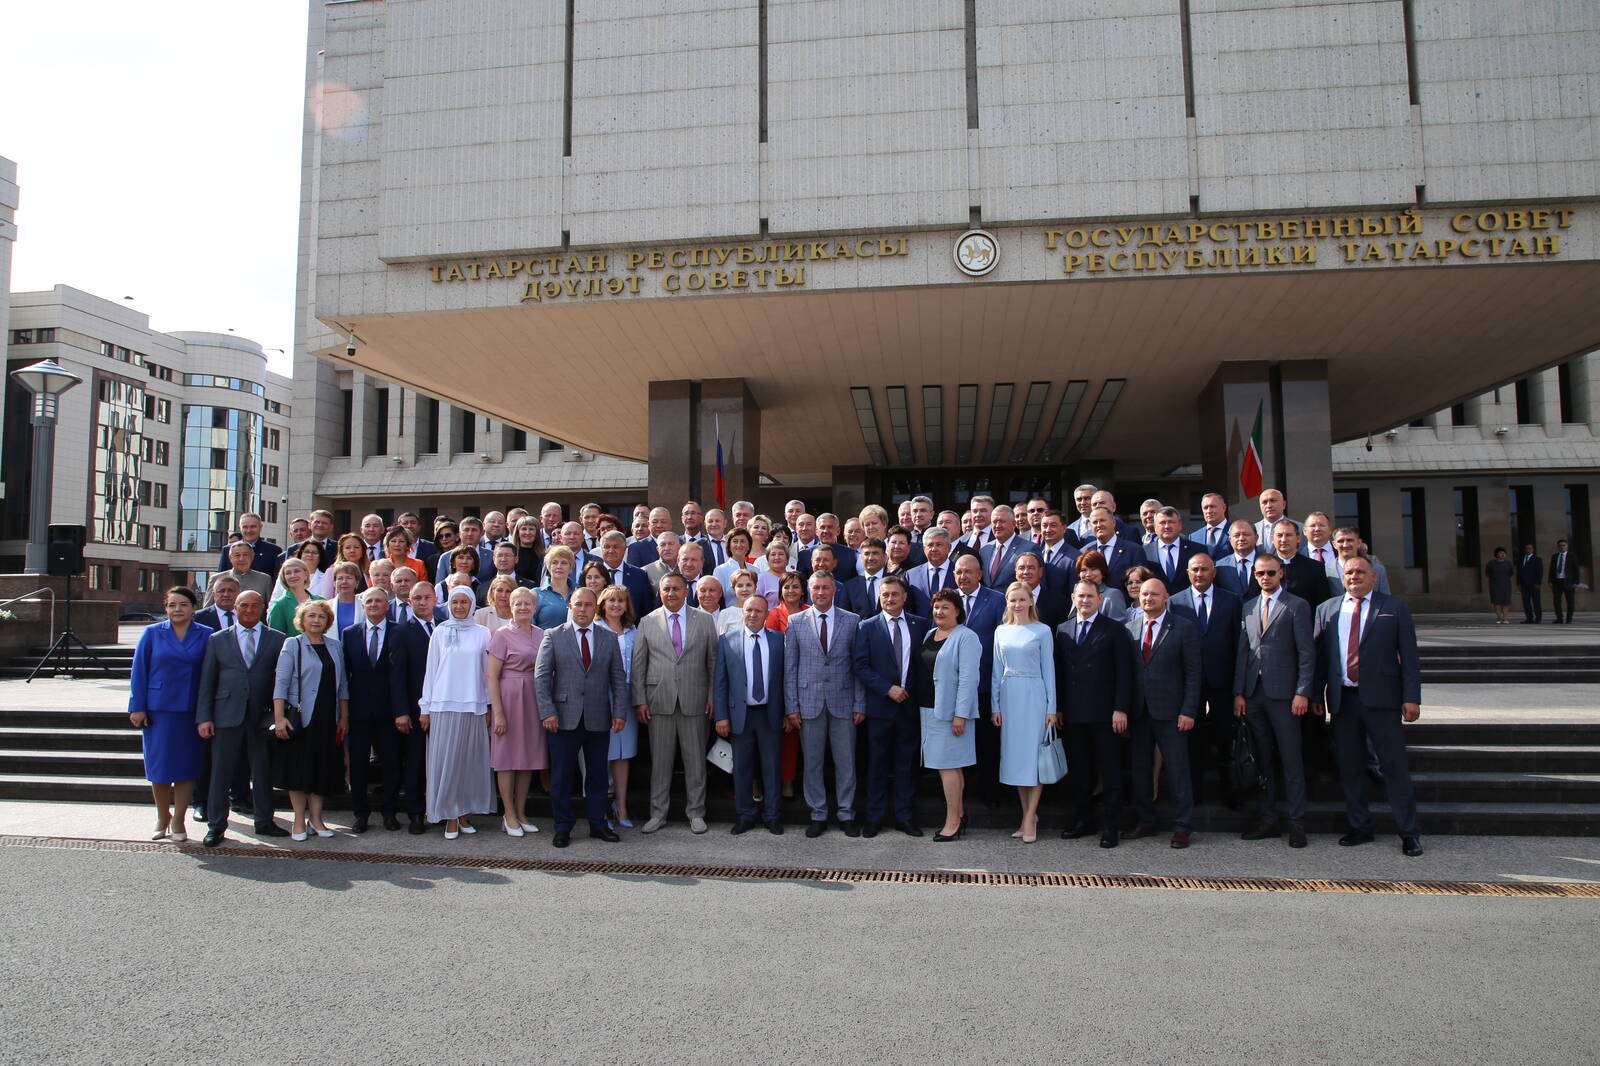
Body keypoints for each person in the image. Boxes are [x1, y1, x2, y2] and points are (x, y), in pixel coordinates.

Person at [1314, 556, 1425, 857]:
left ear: (1373, 577)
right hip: (1343, 701)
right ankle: (1360, 826)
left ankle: (1409, 832)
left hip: (1383, 700)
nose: (1354, 577)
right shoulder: (1327, 609)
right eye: (1349, 573)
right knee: (1350, 767)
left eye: (1360, 572)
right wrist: (1316, 696)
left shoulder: (1394, 607)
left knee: (1393, 767)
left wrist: (1411, 697)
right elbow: (1320, 658)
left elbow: (1409, 656)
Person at [533, 586, 627, 847]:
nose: (583, 609)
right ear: (570, 607)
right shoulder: (554, 635)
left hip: (599, 717)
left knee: (597, 775)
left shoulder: (608, 638)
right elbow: (541, 677)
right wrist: (548, 711)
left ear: (595, 608)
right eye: (578, 604)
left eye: (588, 605)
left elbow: (618, 678)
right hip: (563, 717)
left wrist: (619, 712)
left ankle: (598, 824)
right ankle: (563, 827)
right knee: (562, 776)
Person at [1233, 554, 1315, 848]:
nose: (1265, 578)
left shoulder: (1297, 606)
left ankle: (1297, 823)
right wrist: (1239, 692)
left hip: (1285, 696)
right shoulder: (1248, 607)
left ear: (1281, 573)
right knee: (1262, 760)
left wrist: (1303, 691)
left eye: (1270, 573)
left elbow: (1306, 652)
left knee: (1291, 761)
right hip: (1254, 695)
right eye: (1260, 574)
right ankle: (1268, 820)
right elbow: (1243, 652)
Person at [194, 587, 289, 836]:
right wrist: (204, 717)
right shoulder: (218, 639)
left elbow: (282, 679)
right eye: (243, 605)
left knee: (262, 772)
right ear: (235, 609)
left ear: (263, 609)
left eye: (254, 605)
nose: (249, 610)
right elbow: (207, 681)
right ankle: (216, 825)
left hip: (262, 716)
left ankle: (264, 821)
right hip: (226, 714)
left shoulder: (277, 639)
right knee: (221, 772)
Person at [632, 572, 719, 834]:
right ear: (660, 592)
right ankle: (658, 814)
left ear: (686, 591)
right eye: (666, 589)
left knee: (695, 763)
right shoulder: (647, 621)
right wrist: (639, 700)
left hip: (695, 700)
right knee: (660, 763)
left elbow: (713, 662)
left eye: (676, 589)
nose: (670, 593)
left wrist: (712, 696)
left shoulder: (704, 620)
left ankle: (696, 813)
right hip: (659, 701)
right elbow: (639, 665)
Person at [127, 587, 214, 843]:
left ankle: (179, 819)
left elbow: (210, 674)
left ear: (194, 608)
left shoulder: (207, 634)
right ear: (165, 608)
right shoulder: (152, 633)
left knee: (186, 766)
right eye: (172, 605)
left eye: (183, 604)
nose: (177, 609)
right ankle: (162, 816)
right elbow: (139, 670)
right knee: (160, 767)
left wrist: (207, 712)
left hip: (190, 709)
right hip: (159, 709)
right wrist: (137, 706)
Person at [784, 571, 865, 837]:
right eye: (816, 588)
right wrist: (792, 706)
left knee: (846, 762)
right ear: (809, 591)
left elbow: (858, 667)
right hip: (809, 703)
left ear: (834, 590)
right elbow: (790, 668)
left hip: (844, 702)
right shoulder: (795, 621)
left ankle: (846, 813)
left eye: (825, 587)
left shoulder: (852, 620)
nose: (820, 592)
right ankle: (817, 814)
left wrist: (860, 703)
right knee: (813, 763)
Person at [851, 575, 930, 837]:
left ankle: (904, 817)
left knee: (906, 765)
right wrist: (887, 688)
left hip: (910, 708)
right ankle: (874, 818)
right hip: (880, 707)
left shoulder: (921, 625)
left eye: (895, 594)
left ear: (905, 597)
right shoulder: (867, 626)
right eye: (885, 594)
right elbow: (860, 666)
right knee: (877, 765)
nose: (890, 599)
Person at [1126, 578, 1201, 848]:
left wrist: (1189, 710)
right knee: (1140, 769)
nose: (1148, 599)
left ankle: (1182, 826)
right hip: (1139, 711)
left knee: (1178, 769)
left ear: (1166, 596)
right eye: (1144, 594)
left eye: (1154, 594)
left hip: (1172, 712)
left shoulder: (1183, 627)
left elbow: (1193, 673)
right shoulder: (1130, 628)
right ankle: (1146, 820)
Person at [1056, 581, 1132, 847]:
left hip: (1105, 713)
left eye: (1090, 596)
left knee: (1110, 771)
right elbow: (1059, 673)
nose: (1085, 601)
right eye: (1081, 596)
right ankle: (1083, 820)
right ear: (1073, 598)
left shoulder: (1115, 630)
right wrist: (1059, 708)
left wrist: (1121, 708)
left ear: (1100, 599)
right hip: (1074, 713)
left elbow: (1124, 672)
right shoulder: (1062, 630)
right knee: (1080, 771)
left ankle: (1111, 826)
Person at [1168, 554, 1244, 808]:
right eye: (1195, 570)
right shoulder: (1175, 602)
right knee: (1192, 739)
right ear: (1188, 573)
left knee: (1225, 737)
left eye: (1204, 569)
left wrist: (1238, 689)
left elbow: (1238, 645)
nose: (1199, 574)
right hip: (1189, 683)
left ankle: (1229, 791)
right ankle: (1194, 793)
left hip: (1222, 681)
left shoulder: (1231, 601)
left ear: (1214, 572)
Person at [420, 586, 496, 839]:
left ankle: (463, 813)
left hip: (474, 706)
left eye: (464, 602)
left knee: (468, 764)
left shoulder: (482, 633)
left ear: (472, 604)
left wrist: (488, 705)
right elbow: (431, 671)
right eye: (455, 602)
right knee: (448, 763)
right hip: (444, 705)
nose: (460, 607)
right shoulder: (440, 632)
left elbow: (486, 673)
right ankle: (450, 816)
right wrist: (425, 707)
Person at [271, 599, 350, 841]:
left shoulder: (335, 646)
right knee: (299, 770)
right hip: (301, 718)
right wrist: (279, 718)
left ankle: (316, 819)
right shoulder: (293, 644)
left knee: (321, 768)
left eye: (321, 617)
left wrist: (344, 716)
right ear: (302, 620)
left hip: (328, 717)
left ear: (328, 622)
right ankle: (298, 819)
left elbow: (343, 685)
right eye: (311, 616)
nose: (316, 620)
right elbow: (281, 683)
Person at [713, 593, 787, 835]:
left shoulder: (779, 640)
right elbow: (720, 682)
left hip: (770, 715)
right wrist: (721, 716)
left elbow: (786, 679)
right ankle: (745, 815)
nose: (753, 614)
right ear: (742, 612)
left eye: (758, 611)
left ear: (767, 615)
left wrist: (788, 712)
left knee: (771, 768)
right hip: (740, 716)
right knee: (742, 768)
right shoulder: (727, 640)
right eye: (749, 610)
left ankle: (772, 816)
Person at [990, 582, 1058, 843]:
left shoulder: (1042, 631)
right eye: (1012, 600)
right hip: (1010, 696)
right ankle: (1027, 814)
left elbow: (1048, 670)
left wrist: (1051, 707)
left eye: (1021, 599)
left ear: (1031, 601)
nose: (1017, 604)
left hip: (1034, 695)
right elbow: (996, 671)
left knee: (1033, 758)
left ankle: (1029, 818)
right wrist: (995, 706)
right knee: (1016, 758)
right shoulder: (1001, 631)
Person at [341, 587, 409, 833]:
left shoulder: (400, 631)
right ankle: (361, 814)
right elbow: (344, 675)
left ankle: (389, 812)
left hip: (390, 710)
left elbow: (403, 673)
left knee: (391, 763)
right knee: (359, 764)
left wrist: (402, 710)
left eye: (378, 601)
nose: (373, 605)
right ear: (363, 606)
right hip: (359, 711)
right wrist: (344, 712)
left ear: (387, 605)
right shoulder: (350, 633)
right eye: (369, 601)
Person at [487, 587, 548, 837]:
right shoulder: (502, 635)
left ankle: (521, 812)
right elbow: (491, 675)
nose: (523, 607)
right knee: (507, 759)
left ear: (534, 608)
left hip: (533, 699)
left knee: (528, 758)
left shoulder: (542, 634)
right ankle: (508, 813)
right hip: (510, 697)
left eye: (527, 603)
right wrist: (498, 712)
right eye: (518, 603)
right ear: (510, 607)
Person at [920, 589, 981, 841]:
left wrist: (960, 715)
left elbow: (969, 679)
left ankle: (952, 822)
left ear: (957, 611)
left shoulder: (966, 637)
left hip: (951, 714)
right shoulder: (929, 634)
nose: (939, 611)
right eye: (936, 607)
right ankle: (959, 815)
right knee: (947, 767)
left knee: (949, 768)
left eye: (945, 607)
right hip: (929, 711)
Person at [596, 585, 639, 827]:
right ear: (602, 605)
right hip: (602, 697)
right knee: (602, 754)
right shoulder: (595, 629)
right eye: (611, 600)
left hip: (628, 697)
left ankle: (621, 807)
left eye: (620, 600)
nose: (616, 605)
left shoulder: (633, 630)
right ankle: (601, 807)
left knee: (624, 754)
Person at [596, 530, 655, 619]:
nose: (611, 551)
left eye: (616, 547)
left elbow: (646, 608)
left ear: (625, 549)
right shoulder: (592, 574)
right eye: (606, 547)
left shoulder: (639, 575)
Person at [1145, 507, 1199, 593]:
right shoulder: (1144, 551)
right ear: (1155, 526)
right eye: (1162, 522)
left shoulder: (1196, 550)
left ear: (1180, 525)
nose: (1167, 526)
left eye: (1171, 522)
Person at [216, 511, 283, 577]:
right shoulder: (227, 550)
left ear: (260, 527)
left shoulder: (274, 551)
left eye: (253, 527)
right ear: (240, 528)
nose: (249, 530)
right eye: (245, 527)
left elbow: (278, 578)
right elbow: (220, 577)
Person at [206, 541, 273, 606]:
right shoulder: (216, 579)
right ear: (230, 558)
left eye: (245, 555)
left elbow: (271, 608)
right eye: (237, 555)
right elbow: (207, 609)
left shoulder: (264, 580)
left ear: (252, 556)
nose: (241, 559)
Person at [1214, 520, 1263, 600]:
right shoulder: (1219, 566)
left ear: (1256, 538)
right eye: (1236, 535)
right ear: (1230, 540)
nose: (1241, 538)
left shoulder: (1268, 564)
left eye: (1246, 534)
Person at [536, 545, 577, 629]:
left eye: (564, 563)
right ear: (548, 566)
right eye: (554, 563)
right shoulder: (536, 594)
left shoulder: (579, 592)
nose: (559, 566)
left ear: (571, 567)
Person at [1075, 550, 1126, 618]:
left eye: (1093, 569)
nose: (1088, 574)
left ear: (1102, 571)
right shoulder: (1077, 593)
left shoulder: (1113, 595)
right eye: (1083, 570)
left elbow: (1118, 623)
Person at [718, 569, 761, 635]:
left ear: (755, 588)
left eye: (748, 585)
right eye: (740, 586)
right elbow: (720, 639)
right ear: (734, 590)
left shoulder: (762, 612)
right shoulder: (725, 614)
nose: (744, 589)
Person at [327, 560, 364, 635]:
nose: (344, 582)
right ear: (334, 583)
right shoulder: (326, 606)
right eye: (340, 578)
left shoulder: (365, 606)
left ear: (357, 582)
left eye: (349, 578)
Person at [510, 515, 546, 586]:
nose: (527, 532)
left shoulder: (543, 555)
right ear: (518, 533)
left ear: (537, 533)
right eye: (524, 529)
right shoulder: (511, 554)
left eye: (531, 529)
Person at [1550, 539, 1577, 624]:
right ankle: (1559, 618)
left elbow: (1576, 570)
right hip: (1557, 581)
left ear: (1567, 546)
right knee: (1556, 601)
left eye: (1563, 545)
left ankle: (1569, 619)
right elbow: (1551, 569)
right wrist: (1550, 581)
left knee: (1570, 601)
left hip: (1568, 581)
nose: (1562, 547)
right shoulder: (1554, 556)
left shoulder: (1572, 556)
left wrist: (1576, 582)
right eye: (1560, 546)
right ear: (1558, 547)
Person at [1485, 546, 1515, 624]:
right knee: (1497, 601)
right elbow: (1487, 573)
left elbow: (1511, 573)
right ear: (1497, 554)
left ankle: (1505, 618)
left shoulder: (1508, 564)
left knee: (1506, 602)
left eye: (1504, 553)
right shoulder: (1491, 563)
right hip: (1495, 585)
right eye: (1500, 553)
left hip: (1506, 585)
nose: (1502, 554)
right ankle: (1499, 618)